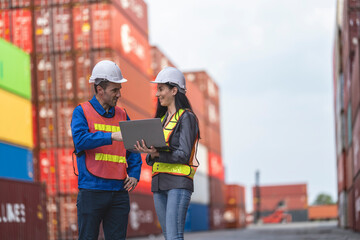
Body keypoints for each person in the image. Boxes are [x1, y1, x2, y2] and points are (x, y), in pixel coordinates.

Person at [71, 60, 142, 240]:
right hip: (91, 190)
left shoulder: (123, 114)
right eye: (114, 90)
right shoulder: (82, 112)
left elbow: (134, 147)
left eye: (119, 89)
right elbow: (80, 141)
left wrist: (134, 174)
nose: (119, 94)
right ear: (100, 89)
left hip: (119, 192)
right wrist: (111, 136)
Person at [135, 67, 200, 240]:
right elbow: (153, 157)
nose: (157, 94)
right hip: (159, 184)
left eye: (161, 89)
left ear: (174, 90)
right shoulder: (162, 120)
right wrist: (149, 153)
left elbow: (183, 155)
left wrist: (157, 155)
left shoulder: (187, 117)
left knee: (174, 237)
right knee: (169, 237)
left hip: (177, 183)